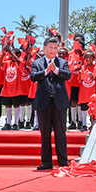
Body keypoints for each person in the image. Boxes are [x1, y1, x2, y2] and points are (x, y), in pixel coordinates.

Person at [30, 37, 71, 170]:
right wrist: (46, 71)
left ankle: (63, 161)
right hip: (43, 102)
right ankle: (46, 162)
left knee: (61, 133)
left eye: (55, 48)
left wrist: (56, 70)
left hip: (59, 102)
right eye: (51, 47)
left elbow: (68, 75)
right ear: (44, 48)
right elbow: (33, 77)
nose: (53, 50)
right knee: (45, 134)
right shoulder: (37, 62)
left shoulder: (63, 62)